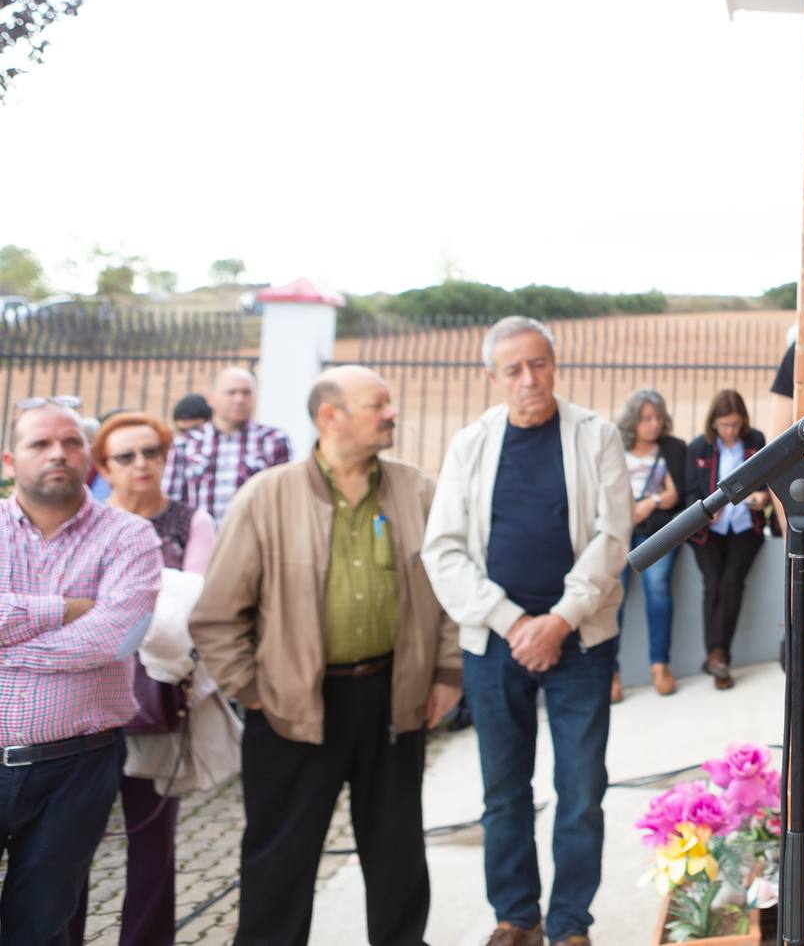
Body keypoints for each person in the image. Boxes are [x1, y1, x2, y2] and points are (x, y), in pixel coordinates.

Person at [191, 367, 460, 946]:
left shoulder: (417, 490)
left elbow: (447, 592)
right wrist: (255, 692)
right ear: (330, 416)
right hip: (292, 708)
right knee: (280, 859)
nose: (391, 414)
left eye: (389, 404)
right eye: (377, 405)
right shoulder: (268, 496)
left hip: (393, 698)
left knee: (397, 854)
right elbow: (216, 614)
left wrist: (445, 672)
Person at [422, 316, 628, 946]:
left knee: (581, 789)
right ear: (493, 377)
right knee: (504, 792)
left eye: (538, 364)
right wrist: (516, 623)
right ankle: (517, 917)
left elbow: (612, 536)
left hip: (581, 642)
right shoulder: (470, 445)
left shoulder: (596, 436)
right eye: (513, 369)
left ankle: (570, 923)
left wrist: (560, 620)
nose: (529, 379)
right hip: (497, 644)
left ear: (555, 365)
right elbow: (444, 550)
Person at [1, 400, 161, 946]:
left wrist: (8, 643)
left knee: (42, 923)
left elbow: (116, 637)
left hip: (77, 764)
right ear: (8, 460)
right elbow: (86, 633)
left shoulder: (131, 537)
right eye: (40, 444)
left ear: (88, 457)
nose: (59, 454)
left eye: (71, 443)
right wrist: (58, 610)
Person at [65, 412, 218, 946]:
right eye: (125, 457)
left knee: (154, 844)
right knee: (70, 847)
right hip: (80, 706)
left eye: (151, 452)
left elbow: (190, 612)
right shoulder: (83, 523)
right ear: (103, 466)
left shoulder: (190, 522)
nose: (141, 464)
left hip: (155, 706)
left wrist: (105, 611)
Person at [686, 389, 771, 691]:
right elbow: (690, 493)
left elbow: (769, 480)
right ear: (713, 423)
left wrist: (763, 497)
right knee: (713, 584)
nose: (730, 431)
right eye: (724, 425)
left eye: (735, 424)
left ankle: (718, 656)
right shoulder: (700, 448)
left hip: (746, 527)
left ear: (743, 421)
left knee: (731, 584)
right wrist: (704, 512)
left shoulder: (755, 441)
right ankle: (718, 657)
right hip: (708, 532)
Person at [613, 388, 685, 702]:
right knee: (612, 595)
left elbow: (674, 493)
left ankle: (660, 665)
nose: (653, 424)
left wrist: (650, 502)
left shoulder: (671, 448)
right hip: (619, 532)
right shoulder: (616, 448)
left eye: (657, 417)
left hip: (656, 531)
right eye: (645, 418)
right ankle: (610, 672)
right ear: (632, 421)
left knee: (657, 587)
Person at [163, 366, 291, 520]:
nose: (239, 399)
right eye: (231, 392)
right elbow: (171, 501)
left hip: (256, 540)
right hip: (202, 541)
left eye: (246, 392)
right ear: (211, 399)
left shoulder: (273, 441)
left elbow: (285, 500)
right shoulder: (185, 444)